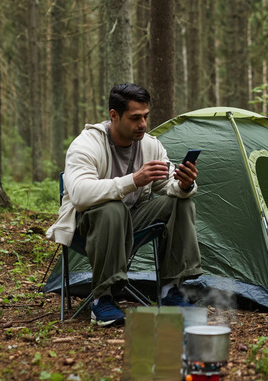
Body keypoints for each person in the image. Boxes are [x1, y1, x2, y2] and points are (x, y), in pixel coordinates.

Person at [46, 83, 203, 327]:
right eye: (135, 118)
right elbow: (79, 195)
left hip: (131, 222)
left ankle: (170, 291)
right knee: (112, 208)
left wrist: (184, 184)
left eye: (146, 117)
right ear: (114, 115)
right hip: (86, 226)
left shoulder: (150, 145)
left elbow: (167, 186)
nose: (142, 124)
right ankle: (102, 300)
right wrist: (133, 181)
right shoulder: (86, 145)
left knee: (181, 203)